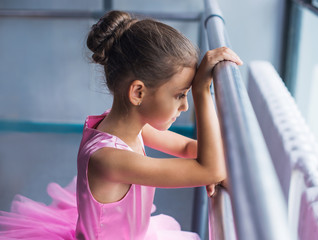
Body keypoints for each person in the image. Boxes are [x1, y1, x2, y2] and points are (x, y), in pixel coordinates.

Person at [0, 10, 242, 240]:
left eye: (188, 95)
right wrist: (202, 91)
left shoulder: (129, 128)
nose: (185, 107)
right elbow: (210, 170)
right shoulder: (109, 158)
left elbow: (191, 149)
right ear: (138, 92)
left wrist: (213, 166)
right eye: (180, 95)